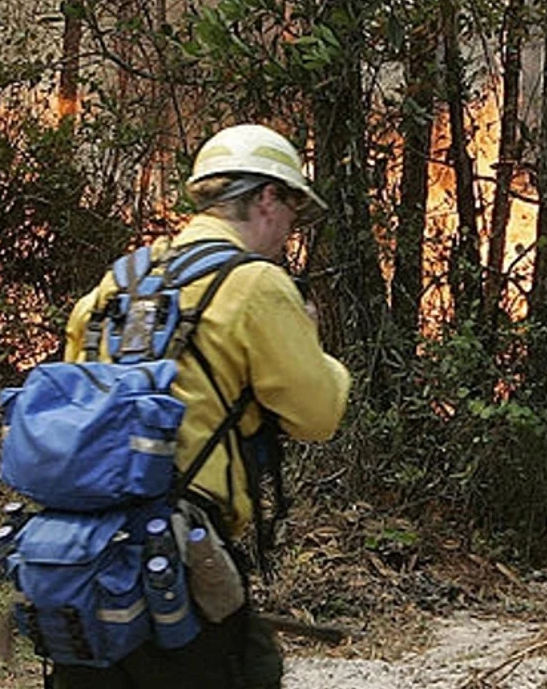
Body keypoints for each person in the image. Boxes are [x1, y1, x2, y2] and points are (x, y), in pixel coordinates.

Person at [50, 123, 352, 689]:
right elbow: (319, 415)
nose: (290, 230)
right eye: (290, 210)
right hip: (181, 560)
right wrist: (316, 348)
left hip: (85, 562)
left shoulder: (115, 286)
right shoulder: (256, 285)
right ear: (266, 198)